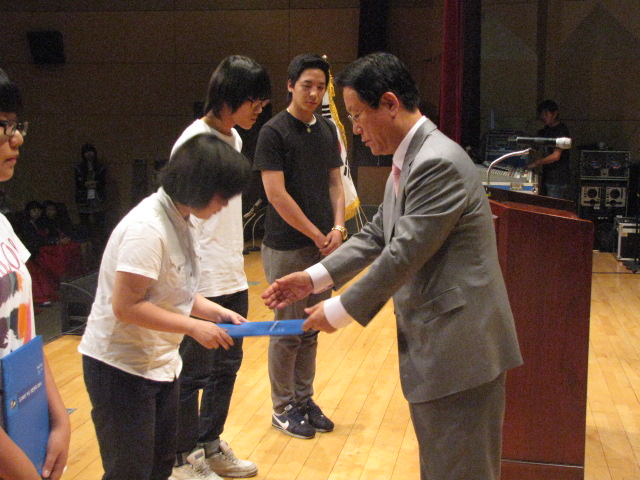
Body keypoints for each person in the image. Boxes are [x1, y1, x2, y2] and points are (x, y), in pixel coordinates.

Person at [261, 52, 523, 480]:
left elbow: (403, 253)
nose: (355, 129)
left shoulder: (436, 162)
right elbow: (377, 234)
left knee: (462, 471)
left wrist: (338, 309)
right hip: (441, 347)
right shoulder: (411, 159)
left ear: (389, 103)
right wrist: (312, 279)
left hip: (462, 349)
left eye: (357, 116)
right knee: (441, 468)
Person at [78, 134, 251, 480]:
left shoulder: (182, 219)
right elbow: (126, 306)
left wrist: (213, 312)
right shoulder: (147, 228)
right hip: (120, 368)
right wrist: (192, 326)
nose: (224, 205)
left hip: (161, 364)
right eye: (222, 196)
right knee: (130, 472)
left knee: (160, 467)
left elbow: (172, 290)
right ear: (198, 186)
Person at [170, 55, 270, 480]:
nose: (259, 110)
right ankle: (181, 458)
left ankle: (210, 445)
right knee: (192, 372)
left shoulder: (236, 140)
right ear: (228, 97)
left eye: (263, 103)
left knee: (226, 368)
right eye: (254, 102)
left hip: (233, 272)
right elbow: (178, 218)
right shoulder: (193, 142)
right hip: (200, 280)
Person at [253, 53, 345, 440]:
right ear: (290, 85)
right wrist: (315, 234)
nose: (314, 93)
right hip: (287, 246)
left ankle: (304, 400)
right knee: (287, 331)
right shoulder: (273, 132)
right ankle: (283, 407)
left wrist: (338, 227)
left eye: (320, 87)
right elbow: (276, 195)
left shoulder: (326, 129)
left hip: (323, 247)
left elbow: (336, 183)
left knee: (311, 328)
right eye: (307, 85)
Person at [0, 68, 70, 480]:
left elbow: (22, 328)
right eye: (3, 126)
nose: (17, 139)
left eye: (17, 125)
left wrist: (58, 418)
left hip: (20, 420)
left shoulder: (3, 225)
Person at [526, 99, 571, 199]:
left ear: (554, 114)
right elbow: (536, 145)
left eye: (546, 113)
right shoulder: (547, 129)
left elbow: (556, 156)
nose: (543, 117)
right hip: (548, 176)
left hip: (557, 178)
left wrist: (536, 163)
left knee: (553, 205)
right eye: (541, 114)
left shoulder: (561, 131)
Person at [74, 142, 107, 246]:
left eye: (91, 151)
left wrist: (93, 184)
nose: (89, 154)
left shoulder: (100, 167)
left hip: (97, 197)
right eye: (86, 152)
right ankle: (86, 241)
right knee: (84, 221)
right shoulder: (79, 167)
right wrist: (88, 184)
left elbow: (102, 182)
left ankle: (99, 242)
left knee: (99, 220)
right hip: (83, 198)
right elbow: (78, 183)